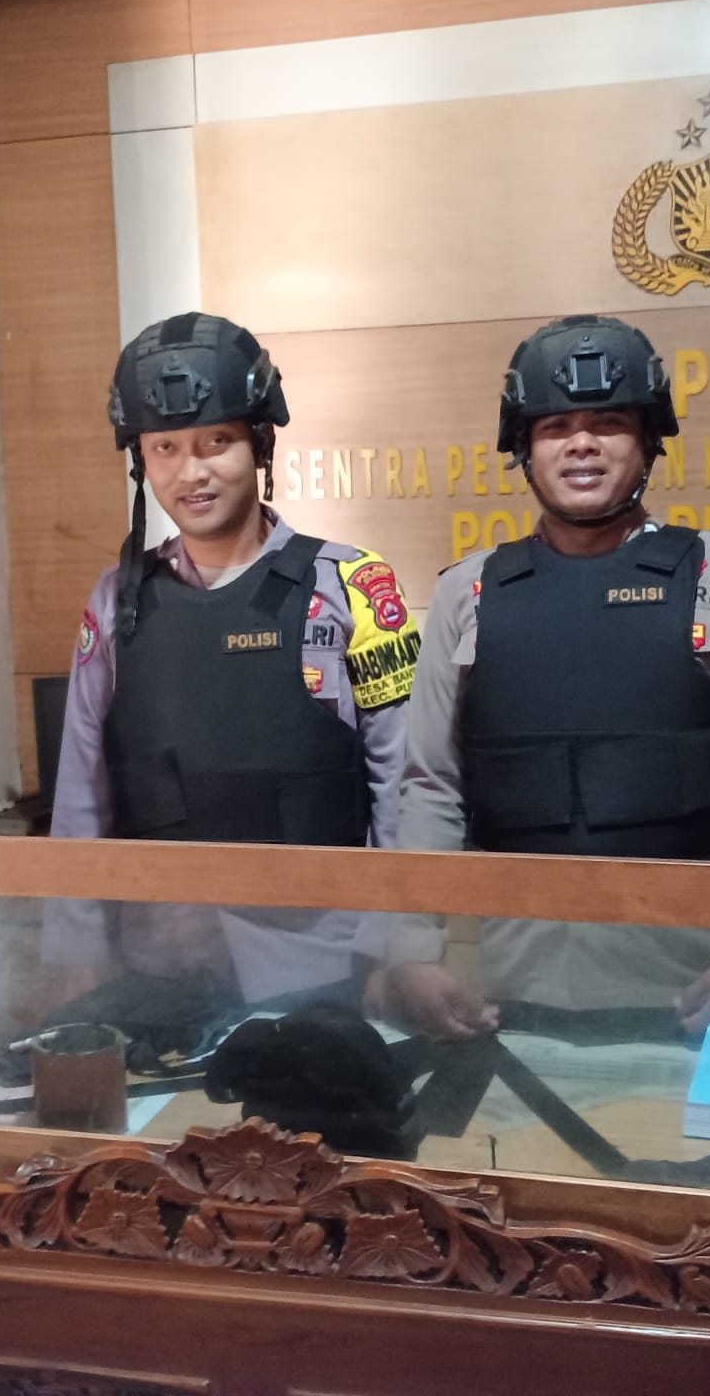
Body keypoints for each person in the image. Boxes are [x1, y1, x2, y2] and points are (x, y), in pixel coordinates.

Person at [385, 314, 710, 1039]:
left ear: (648, 442)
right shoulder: (466, 592)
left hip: (695, 990)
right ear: (523, 448)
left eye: (608, 423)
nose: (580, 443)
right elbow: (431, 786)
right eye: (554, 427)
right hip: (507, 993)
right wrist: (413, 950)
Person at [46, 312, 421, 1006]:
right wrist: (77, 951)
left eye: (216, 441)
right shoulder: (116, 599)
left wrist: (396, 948)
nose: (191, 472)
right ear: (140, 460)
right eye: (164, 448)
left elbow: (401, 787)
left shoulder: (350, 588)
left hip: (322, 967)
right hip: (161, 968)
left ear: (259, 443)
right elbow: (81, 792)